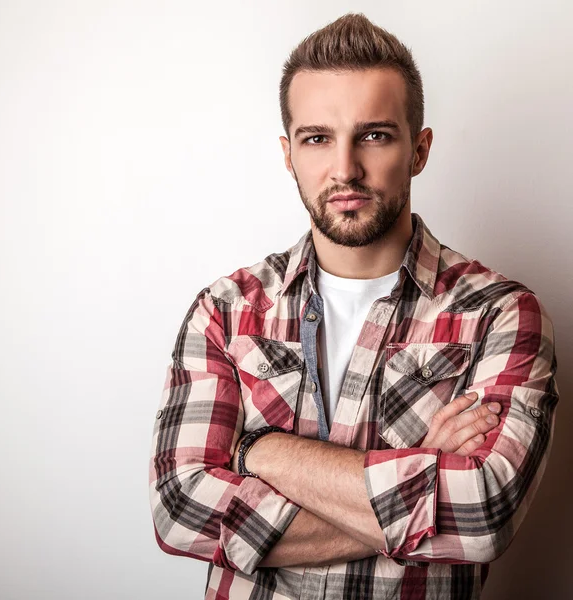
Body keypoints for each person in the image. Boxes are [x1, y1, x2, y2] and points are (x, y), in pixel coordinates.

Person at [149, 12, 559, 600]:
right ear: (289, 154)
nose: (344, 169)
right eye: (318, 138)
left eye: (374, 135)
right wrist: (421, 468)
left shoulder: (501, 315)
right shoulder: (226, 309)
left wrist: (255, 451)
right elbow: (180, 507)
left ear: (419, 150)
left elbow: (482, 512)